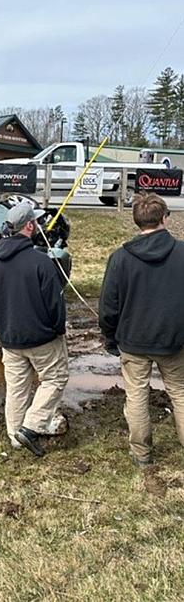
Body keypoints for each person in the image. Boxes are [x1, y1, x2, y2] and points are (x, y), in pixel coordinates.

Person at [100, 193, 184, 467]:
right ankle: (142, 454)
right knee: (180, 393)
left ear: (137, 221)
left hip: (135, 340)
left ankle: (141, 454)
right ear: (165, 218)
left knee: (136, 395)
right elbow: (110, 304)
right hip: (173, 340)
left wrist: (109, 336)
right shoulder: (180, 252)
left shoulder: (120, 258)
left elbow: (108, 306)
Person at [0, 203, 69, 457]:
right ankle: (31, 427)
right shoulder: (42, 262)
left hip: (9, 339)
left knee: (17, 387)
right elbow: (55, 304)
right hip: (42, 338)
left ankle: (15, 437)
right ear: (30, 226)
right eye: (37, 222)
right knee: (55, 378)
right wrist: (58, 330)